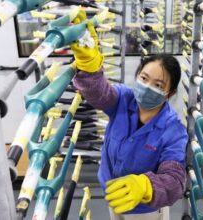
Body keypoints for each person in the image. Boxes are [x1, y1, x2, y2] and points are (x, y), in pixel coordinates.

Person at [70, 10, 188, 220]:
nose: (147, 86)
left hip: (146, 209)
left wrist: (145, 186)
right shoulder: (124, 99)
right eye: (144, 78)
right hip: (113, 196)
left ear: (169, 93)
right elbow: (99, 93)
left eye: (158, 85)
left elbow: (175, 178)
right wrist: (89, 67)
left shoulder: (173, 131)